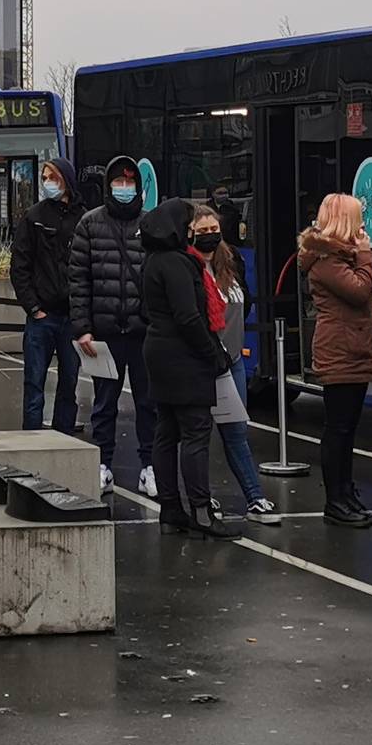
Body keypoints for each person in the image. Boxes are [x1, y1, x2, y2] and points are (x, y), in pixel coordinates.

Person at [138, 199, 241, 538]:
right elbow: (188, 316)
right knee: (196, 433)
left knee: (166, 433)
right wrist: (212, 354)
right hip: (184, 357)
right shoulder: (179, 263)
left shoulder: (152, 261)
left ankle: (170, 509)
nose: (190, 230)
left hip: (158, 351)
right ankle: (201, 510)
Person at [68, 156, 154, 492]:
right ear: (108, 186)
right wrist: (82, 328)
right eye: (117, 182)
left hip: (143, 333)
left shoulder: (151, 225)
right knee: (104, 405)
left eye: (128, 182)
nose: (123, 188)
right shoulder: (89, 225)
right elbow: (78, 281)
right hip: (102, 334)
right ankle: (102, 464)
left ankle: (150, 467)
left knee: (149, 403)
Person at [298, 193, 372, 527]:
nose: (363, 225)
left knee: (347, 429)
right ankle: (336, 500)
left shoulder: (338, 256)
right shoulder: (327, 259)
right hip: (340, 350)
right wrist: (365, 255)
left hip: (352, 348)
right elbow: (360, 290)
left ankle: (346, 492)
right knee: (338, 428)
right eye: (358, 218)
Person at [195, 204, 277, 524]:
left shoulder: (231, 261)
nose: (209, 236)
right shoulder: (188, 268)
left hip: (232, 360)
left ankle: (255, 497)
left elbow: (245, 300)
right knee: (198, 435)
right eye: (202, 231)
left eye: (213, 230)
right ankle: (202, 498)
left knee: (236, 431)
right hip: (202, 364)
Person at [9, 158, 81, 434]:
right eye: (44, 177)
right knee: (34, 383)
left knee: (69, 384)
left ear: (66, 180)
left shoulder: (83, 218)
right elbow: (20, 266)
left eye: (53, 177)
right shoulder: (34, 217)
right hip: (42, 317)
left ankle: (65, 440)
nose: (48, 182)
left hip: (72, 318)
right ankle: (32, 440)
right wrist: (33, 307)